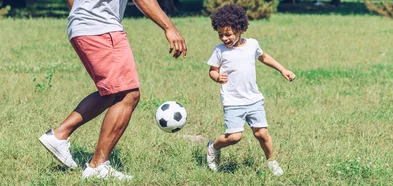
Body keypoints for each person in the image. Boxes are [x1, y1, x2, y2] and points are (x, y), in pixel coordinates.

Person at [38, 0, 187, 180]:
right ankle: (97, 166)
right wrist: (169, 27)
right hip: (101, 27)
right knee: (128, 95)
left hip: (83, 25)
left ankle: (59, 136)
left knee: (112, 93)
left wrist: (82, 12)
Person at [205, 4, 295, 176]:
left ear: (240, 29)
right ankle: (213, 146)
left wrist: (283, 69)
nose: (224, 38)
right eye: (220, 34)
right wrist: (217, 77)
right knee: (234, 137)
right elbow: (212, 70)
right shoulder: (219, 51)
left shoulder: (252, 44)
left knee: (262, 134)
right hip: (232, 101)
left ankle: (272, 162)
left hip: (253, 99)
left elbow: (264, 57)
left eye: (228, 34)